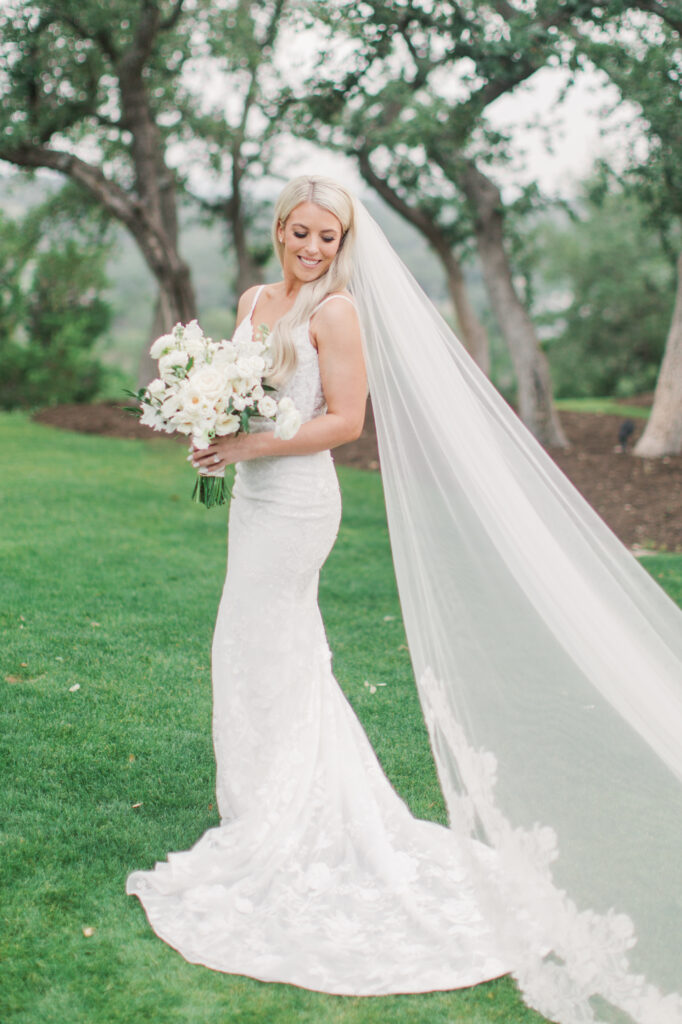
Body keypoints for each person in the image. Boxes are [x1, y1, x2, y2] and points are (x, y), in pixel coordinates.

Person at [128, 176, 682, 1024]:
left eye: (330, 237)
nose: (314, 249)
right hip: (253, 500)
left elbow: (347, 420)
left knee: (263, 642)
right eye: (302, 232)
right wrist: (212, 433)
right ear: (280, 229)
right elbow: (243, 389)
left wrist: (248, 440)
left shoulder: (337, 313)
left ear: (344, 244)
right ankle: (258, 801)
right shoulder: (254, 298)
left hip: (299, 503)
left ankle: (284, 814)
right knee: (258, 649)